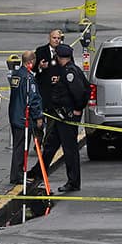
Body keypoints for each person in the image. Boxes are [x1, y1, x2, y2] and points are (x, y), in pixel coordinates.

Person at [32, 44, 87, 193]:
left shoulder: (70, 72)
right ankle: (38, 171)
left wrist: (77, 110)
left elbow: (81, 93)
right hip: (60, 116)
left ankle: (73, 181)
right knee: (50, 145)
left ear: (60, 57)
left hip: (67, 117)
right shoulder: (66, 70)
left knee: (70, 150)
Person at [8, 51, 43, 185]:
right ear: (32, 61)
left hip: (15, 114)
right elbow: (33, 99)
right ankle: (17, 175)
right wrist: (38, 116)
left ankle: (16, 174)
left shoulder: (16, 75)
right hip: (24, 117)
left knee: (18, 145)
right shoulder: (28, 78)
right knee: (22, 147)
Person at [35, 29, 64, 111]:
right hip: (44, 90)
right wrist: (40, 67)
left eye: (58, 38)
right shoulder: (40, 51)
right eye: (54, 38)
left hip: (59, 91)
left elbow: (70, 67)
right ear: (49, 38)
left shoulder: (64, 51)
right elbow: (33, 68)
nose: (56, 40)